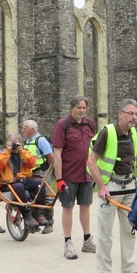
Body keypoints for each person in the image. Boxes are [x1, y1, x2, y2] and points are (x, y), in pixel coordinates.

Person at [87, 98, 137, 273]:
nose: (134, 117)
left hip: (129, 186)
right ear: (120, 114)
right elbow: (90, 161)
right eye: (130, 113)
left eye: (136, 114)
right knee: (105, 234)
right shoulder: (108, 132)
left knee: (129, 229)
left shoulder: (133, 134)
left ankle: (128, 269)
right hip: (111, 188)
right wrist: (102, 187)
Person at [52, 96, 97, 260]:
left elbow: (95, 149)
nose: (82, 110)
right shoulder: (62, 125)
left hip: (86, 174)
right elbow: (57, 154)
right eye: (79, 107)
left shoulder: (89, 124)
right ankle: (68, 243)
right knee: (68, 208)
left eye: (84, 107)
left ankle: (87, 240)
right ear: (71, 108)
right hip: (69, 175)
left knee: (85, 206)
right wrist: (59, 179)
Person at [0, 132, 40, 229]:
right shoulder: (1, 153)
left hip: (23, 180)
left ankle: (39, 213)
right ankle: (27, 215)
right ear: (7, 143)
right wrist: (8, 152)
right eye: (12, 144)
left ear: (20, 143)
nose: (14, 146)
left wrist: (21, 151)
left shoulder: (24, 152)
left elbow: (32, 164)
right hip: (9, 183)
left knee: (39, 183)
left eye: (16, 144)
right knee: (19, 186)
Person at [22, 119, 54, 232]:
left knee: (47, 197)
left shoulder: (41, 140)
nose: (23, 130)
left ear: (32, 129)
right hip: (31, 173)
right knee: (32, 196)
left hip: (42, 172)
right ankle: (36, 221)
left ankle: (49, 222)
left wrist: (49, 171)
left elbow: (50, 156)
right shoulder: (27, 141)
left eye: (24, 128)